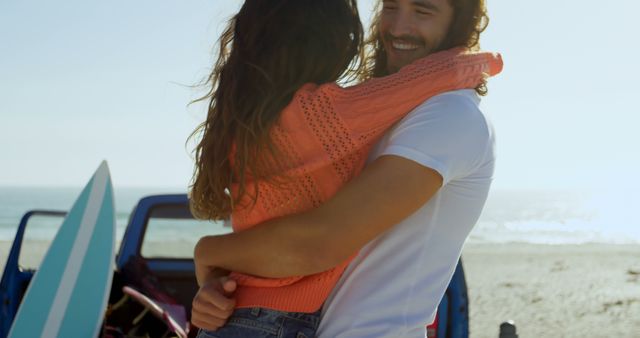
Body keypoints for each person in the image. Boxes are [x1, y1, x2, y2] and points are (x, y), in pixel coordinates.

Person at [189, 0, 501, 337]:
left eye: (423, 11)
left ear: (459, 22)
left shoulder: (449, 115)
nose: (397, 27)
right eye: (391, 7)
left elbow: (316, 243)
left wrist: (210, 252)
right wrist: (222, 286)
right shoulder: (357, 118)